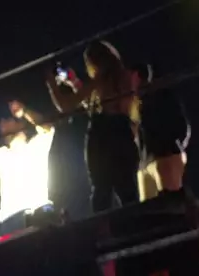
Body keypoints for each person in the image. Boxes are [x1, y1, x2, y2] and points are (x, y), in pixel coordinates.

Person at [47, 40, 138, 213]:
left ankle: (103, 228)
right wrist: (75, 83)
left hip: (102, 138)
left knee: (101, 193)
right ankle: (135, 226)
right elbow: (99, 101)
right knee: (128, 191)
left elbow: (65, 105)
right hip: (124, 134)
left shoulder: (101, 80)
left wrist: (51, 83)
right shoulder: (125, 77)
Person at [0, 102, 55, 236]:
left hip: (37, 214)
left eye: (6, 120)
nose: (2, 126)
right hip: (10, 221)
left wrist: (24, 111)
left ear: (20, 123)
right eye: (1, 123)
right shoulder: (2, 154)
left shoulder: (36, 144)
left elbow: (47, 127)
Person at [132, 63, 190, 200]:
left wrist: (172, 148)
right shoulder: (136, 103)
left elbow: (182, 126)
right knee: (150, 210)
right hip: (146, 162)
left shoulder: (161, 95)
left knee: (172, 203)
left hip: (164, 155)